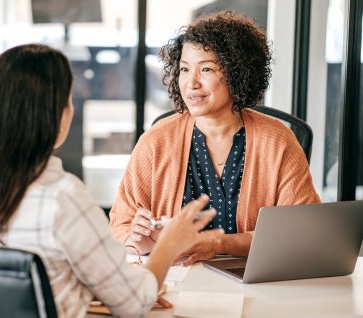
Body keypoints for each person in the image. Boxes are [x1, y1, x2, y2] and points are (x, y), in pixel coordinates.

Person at [0, 44, 215, 318]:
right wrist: (169, 244)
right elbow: (134, 303)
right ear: (55, 114)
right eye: (69, 99)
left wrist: (88, 288)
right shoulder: (62, 198)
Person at [109, 11, 321, 266]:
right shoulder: (156, 141)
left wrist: (220, 244)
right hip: (177, 279)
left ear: (236, 72)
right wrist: (143, 243)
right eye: (184, 69)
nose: (191, 83)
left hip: (254, 280)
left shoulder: (277, 140)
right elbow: (121, 224)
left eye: (206, 69)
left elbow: (299, 231)